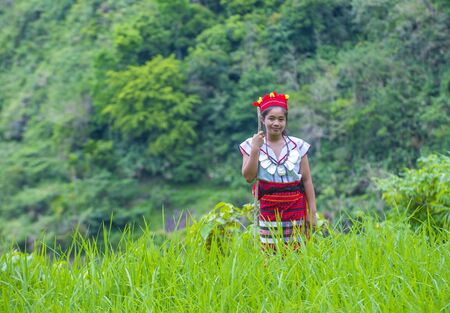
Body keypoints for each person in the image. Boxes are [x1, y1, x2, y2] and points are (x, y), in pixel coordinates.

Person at [239, 91, 317, 248]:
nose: (276, 123)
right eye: (271, 118)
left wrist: (312, 212)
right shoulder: (251, 144)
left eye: (281, 119)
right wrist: (255, 149)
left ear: (286, 121)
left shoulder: (298, 146)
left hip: (296, 208)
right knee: (270, 253)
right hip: (268, 209)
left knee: (298, 254)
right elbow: (248, 177)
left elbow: (307, 180)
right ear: (262, 119)